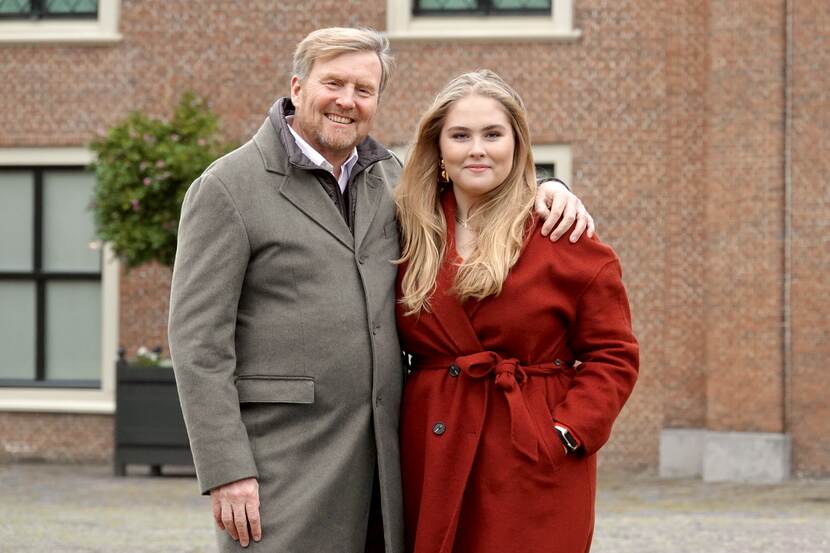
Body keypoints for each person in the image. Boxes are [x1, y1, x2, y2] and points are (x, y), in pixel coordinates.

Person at [168, 28, 594, 552]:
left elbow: (480, 179)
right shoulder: (228, 187)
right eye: (334, 83)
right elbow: (198, 346)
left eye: (364, 89)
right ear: (298, 88)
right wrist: (226, 469)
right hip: (281, 463)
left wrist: (551, 189)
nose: (347, 101)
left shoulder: (391, 179)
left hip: (387, 464)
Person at [394, 70, 639, 553]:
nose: (477, 149)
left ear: (517, 143)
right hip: (433, 449)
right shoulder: (405, 231)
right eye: (460, 135)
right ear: (438, 149)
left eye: (492, 134)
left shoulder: (562, 234)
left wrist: (566, 434)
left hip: (532, 452)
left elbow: (614, 355)